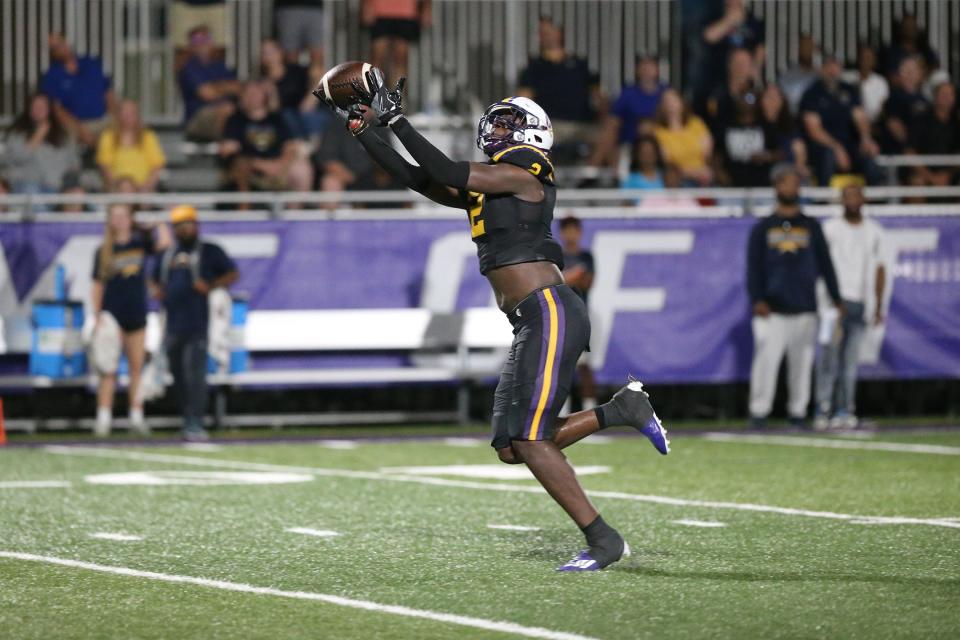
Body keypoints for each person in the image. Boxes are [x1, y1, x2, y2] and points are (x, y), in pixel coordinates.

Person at [321, 71, 669, 571]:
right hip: (532, 319)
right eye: (498, 124)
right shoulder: (492, 185)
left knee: (530, 438)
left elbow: (440, 164)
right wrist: (363, 130)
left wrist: (396, 118)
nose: (500, 132)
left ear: (534, 133)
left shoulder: (528, 170)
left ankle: (602, 539)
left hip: (549, 310)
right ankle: (621, 411)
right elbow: (420, 178)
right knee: (512, 446)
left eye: (510, 124)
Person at [746, 165, 843, 428]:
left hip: (804, 305)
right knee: (766, 362)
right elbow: (753, 267)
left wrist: (836, 297)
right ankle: (759, 412)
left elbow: (825, 264)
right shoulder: (763, 227)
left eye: (796, 183)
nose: (793, 188)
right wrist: (758, 299)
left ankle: (798, 411)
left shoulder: (810, 226)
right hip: (773, 309)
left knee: (802, 365)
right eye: (787, 183)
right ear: (777, 187)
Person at [152, 205, 238, 441]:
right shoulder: (168, 254)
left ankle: (196, 422)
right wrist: (157, 291)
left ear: (196, 225)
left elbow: (232, 274)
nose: (184, 229)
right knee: (178, 375)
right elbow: (152, 279)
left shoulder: (209, 251)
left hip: (199, 323)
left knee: (195, 375)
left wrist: (210, 286)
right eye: (179, 225)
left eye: (188, 223)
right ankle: (185, 419)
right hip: (172, 324)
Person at [91, 202, 172, 436]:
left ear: (130, 219)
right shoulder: (104, 250)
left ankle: (136, 415)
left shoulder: (139, 243)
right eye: (114, 216)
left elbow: (164, 243)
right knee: (108, 369)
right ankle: (104, 417)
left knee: (137, 367)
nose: (119, 220)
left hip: (136, 312)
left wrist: (157, 223)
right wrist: (97, 315)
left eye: (123, 216)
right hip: (112, 315)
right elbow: (97, 285)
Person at [814, 185, 886, 430]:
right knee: (828, 359)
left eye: (857, 195)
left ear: (864, 199)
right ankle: (823, 408)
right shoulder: (830, 229)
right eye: (848, 196)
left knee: (850, 363)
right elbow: (821, 266)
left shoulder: (873, 231)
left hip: (859, 305)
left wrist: (877, 306)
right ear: (841, 200)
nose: (853, 200)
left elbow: (879, 269)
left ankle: (845, 408)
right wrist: (830, 301)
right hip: (833, 305)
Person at [517, 18, 606, 157]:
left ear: (560, 33)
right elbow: (524, 102)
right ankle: (544, 175)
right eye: (542, 33)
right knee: (535, 140)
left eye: (549, 31)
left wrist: (603, 114)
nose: (545, 36)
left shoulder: (580, 64)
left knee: (608, 135)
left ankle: (589, 176)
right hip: (551, 126)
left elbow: (599, 97)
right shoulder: (533, 67)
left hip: (582, 124)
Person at [800, 54, 883, 186]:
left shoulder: (849, 90)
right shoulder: (812, 93)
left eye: (835, 66)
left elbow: (860, 117)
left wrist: (866, 138)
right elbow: (813, 129)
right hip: (823, 146)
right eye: (828, 66)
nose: (832, 70)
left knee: (869, 155)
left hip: (849, 145)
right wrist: (836, 147)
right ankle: (823, 201)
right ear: (821, 69)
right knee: (828, 156)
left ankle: (877, 203)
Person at [220, 81, 314, 196]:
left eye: (256, 93)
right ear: (242, 97)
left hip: (278, 166)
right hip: (251, 168)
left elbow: (290, 147)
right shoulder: (235, 120)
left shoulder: (277, 119)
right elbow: (229, 151)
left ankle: (295, 212)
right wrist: (260, 165)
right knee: (241, 166)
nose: (252, 97)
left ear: (264, 97)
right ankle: (245, 207)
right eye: (248, 94)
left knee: (301, 169)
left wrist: (280, 165)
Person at [589, 55, 667, 169]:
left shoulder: (666, 93)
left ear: (657, 70)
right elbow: (613, 121)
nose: (647, 70)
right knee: (608, 133)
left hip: (662, 142)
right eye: (643, 67)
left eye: (650, 66)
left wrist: (653, 127)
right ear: (637, 70)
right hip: (630, 143)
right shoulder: (628, 93)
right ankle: (592, 171)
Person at [41, 33, 115, 147]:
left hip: (104, 121)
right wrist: (80, 130)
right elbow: (58, 110)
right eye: (54, 48)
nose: (60, 49)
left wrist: (114, 118)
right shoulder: (51, 76)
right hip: (77, 126)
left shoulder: (92, 63)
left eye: (60, 43)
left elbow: (108, 94)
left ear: (66, 42)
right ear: (52, 53)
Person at [2, 93, 80, 195]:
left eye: (42, 106)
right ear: (28, 109)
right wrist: (38, 135)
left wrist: (68, 182)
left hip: (58, 186)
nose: (38, 110)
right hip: (26, 185)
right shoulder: (17, 133)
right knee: (30, 190)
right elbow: (16, 158)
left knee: (77, 194)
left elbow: (74, 163)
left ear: (50, 109)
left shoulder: (63, 135)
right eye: (35, 106)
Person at [558, 216, 597, 414]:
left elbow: (587, 282)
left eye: (574, 229)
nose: (571, 234)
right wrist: (572, 276)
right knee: (560, 366)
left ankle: (589, 411)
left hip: (581, 317)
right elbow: (554, 284)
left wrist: (566, 278)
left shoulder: (586, 256)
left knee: (583, 366)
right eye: (567, 230)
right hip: (561, 316)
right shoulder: (557, 256)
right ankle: (561, 413)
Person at [178, 25, 241, 142]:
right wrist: (226, 86)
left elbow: (239, 88)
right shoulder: (189, 68)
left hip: (225, 111)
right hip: (196, 119)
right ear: (191, 46)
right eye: (196, 40)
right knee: (227, 109)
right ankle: (225, 145)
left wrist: (217, 87)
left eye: (206, 39)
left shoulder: (221, 66)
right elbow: (207, 94)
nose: (202, 43)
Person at [95, 100, 166, 193]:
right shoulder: (108, 136)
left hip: (144, 190)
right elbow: (105, 166)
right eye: (124, 113)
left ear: (137, 115)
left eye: (131, 113)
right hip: (117, 189)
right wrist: (116, 186)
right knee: (126, 186)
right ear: (118, 115)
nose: (127, 117)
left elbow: (157, 167)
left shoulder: (148, 137)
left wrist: (146, 188)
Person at [701, 0, 765, 98]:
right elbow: (708, 37)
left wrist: (755, 68)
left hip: (747, 72)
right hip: (720, 70)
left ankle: (740, 97)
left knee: (742, 57)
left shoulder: (753, 21)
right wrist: (729, 21)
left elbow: (761, 48)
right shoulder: (715, 15)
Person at [652, 89, 714, 186]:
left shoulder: (696, 123)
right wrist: (694, 173)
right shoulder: (658, 132)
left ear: (681, 102)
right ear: (661, 106)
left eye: (673, 100)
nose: (670, 105)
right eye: (667, 102)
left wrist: (704, 171)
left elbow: (707, 152)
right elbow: (667, 162)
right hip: (678, 180)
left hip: (704, 175)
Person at [363, 0, 431, 87]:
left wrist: (426, 8)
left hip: (407, 12)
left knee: (401, 59)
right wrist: (366, 4)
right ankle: (375, 94)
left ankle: (397, 96)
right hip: (379, 11)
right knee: (378, 57)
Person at [908, 82, 960, 187]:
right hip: (924, 172)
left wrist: (947, 175)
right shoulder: (921, 119)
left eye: (950, 95)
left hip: (951, 173)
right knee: (917, 182)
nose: (947, 98)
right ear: (935, 97)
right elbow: (909, 151)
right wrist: (930, 176)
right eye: (943, 94)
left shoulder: (957, 123)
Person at [879, 56, 930, 155]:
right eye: (905, 71)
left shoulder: (925, 100)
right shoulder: (893, 98)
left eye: (912, 71)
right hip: (900, 152)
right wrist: (910, 148)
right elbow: (894, 126)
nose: (909, 75)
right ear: (899, 75)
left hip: (922, 152)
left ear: (920, 75)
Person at [842, 43, 889, 124]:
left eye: (869, 57)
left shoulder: (880, 81)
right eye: (863, 56)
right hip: (848, 122)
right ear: (858, 58)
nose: (866, 60)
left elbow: (884, 106)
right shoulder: (846, 77)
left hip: (874, 122)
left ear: (874, 61)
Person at [274, 0, 325, 66]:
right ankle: (293, 75)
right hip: (288, 7)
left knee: (319, 55)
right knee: (290, 54)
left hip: (316, 7)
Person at [779, 34, 819, 115]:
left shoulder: (822, 76)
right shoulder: (786, 75)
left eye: (810, 46)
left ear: (816, 50)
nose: (807, 50)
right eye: (804, 46)